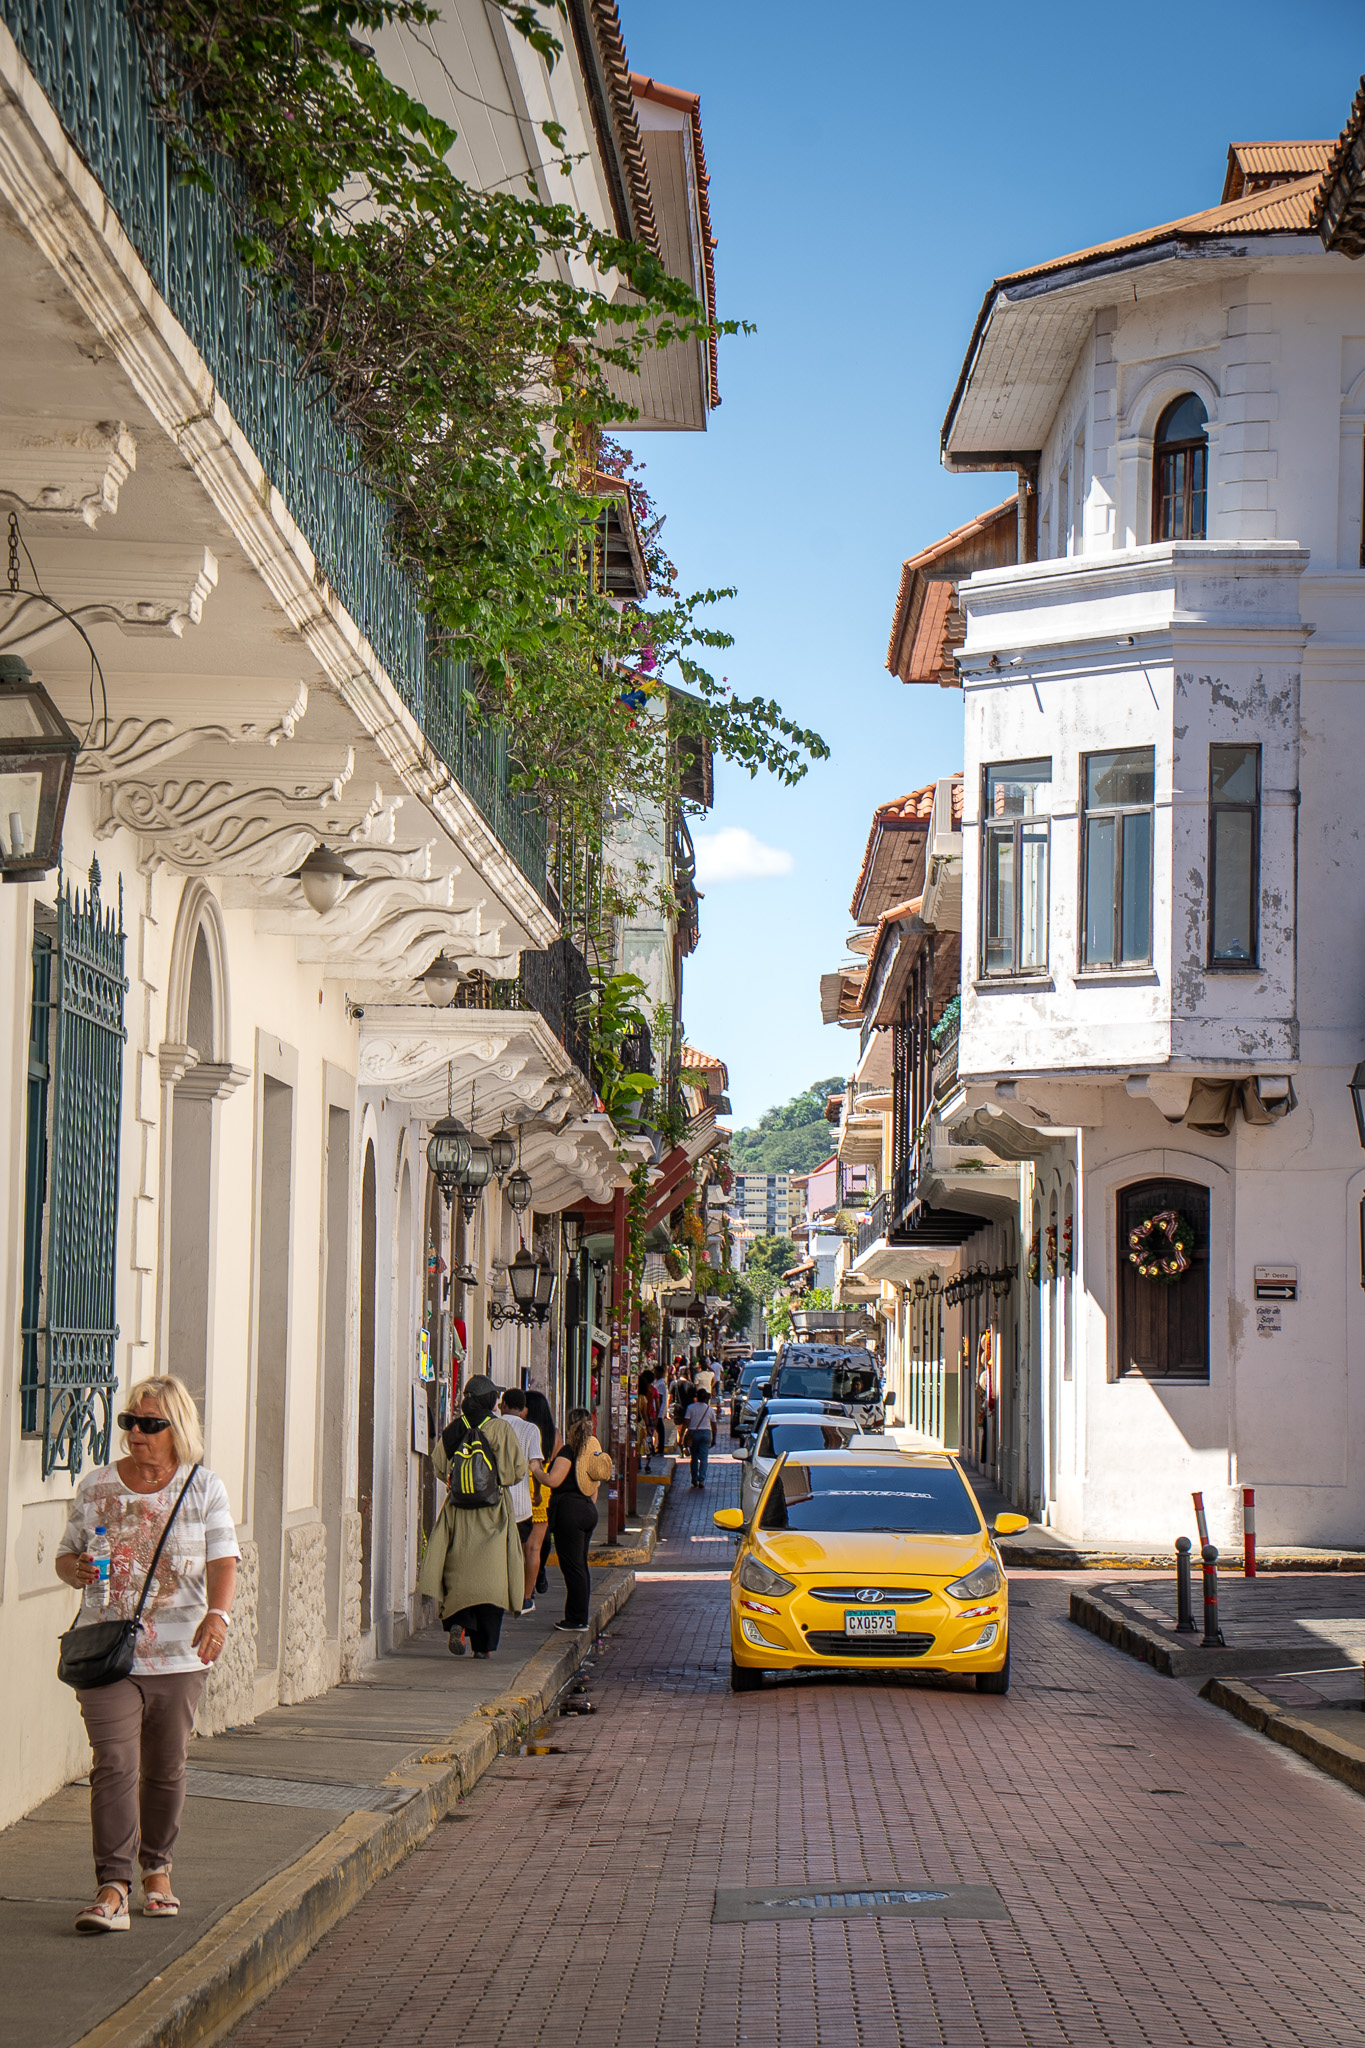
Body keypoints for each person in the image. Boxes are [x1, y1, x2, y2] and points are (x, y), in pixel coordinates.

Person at [55, 1375, 239, 1934]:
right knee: (114, 1763)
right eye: (129, 1422)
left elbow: (223, 1559)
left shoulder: (203, 1487)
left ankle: (157, 1868)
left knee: (164, 1768)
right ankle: (112, 1886)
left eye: (150, 1424)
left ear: (176, 1429)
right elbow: (66, 1555)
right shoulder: (97, 1488)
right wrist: (76, 1569)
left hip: (179, 1654)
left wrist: (218, 1614)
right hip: (107, 1651)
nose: (136, 1433)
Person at [417, 1375, 527, 1658]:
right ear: (490, 1401)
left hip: (458, 1512)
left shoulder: (455, 1428)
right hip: (493, 1512)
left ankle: (459, 1624)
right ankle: (483, 1647)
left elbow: (440, 1466)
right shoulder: (500, 1429)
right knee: (491, 1581)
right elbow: (516, 1472)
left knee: (458, 1573)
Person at [542, 1408, 613, 1634]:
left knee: (572, 1567)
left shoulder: (568, 1452)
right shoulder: (590, 1451)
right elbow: (595, 1487)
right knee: (580, 1566)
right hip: (587, 1510)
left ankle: (576, 1619)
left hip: (569, 1512)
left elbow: (553, 1480)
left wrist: (536, 1470)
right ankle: (579, 1615)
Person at [499, 1387, 545, 1614]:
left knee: (499, 1552)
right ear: (523, 1408)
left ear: (503, 1403)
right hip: (522, 1505)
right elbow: (535, 1465)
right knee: (524, 1551)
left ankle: (499, 1595)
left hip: (496, 1503)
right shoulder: (531, 1429)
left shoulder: (492, 1426)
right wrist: (537, 1492)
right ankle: (523, 1598)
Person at [522, 1388, 562, 1599]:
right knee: (535, 1547)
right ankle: (530, 1590)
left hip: (523, 1487)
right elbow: (557, 1461)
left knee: (521, 1546)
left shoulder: (526, 1431)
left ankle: (523, 1589)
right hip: (544, 1488)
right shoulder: (553, 1434)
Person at [683, 1386, 715, 1488]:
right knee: (704, 1458)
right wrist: (714, 1437)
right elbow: (714, 1425)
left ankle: (694, 1479)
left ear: (696, 1397)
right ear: (706, 1398)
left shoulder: (691, 1407)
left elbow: (686, 1422)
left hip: (694, 1433)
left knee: (694, 1457)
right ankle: (702, 1480)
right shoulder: (710, 1409)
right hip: (706, 1433)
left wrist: (682, 1434)